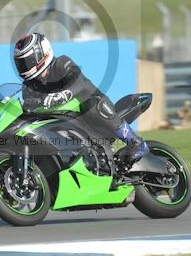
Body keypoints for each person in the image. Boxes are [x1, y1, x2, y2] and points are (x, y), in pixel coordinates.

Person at [13, 32, 149, 164]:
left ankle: (136, 142)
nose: (24, 66)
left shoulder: (62, 63)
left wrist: (61, 95)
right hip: (65, 121)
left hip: (92, 110)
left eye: (27, 61)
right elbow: (29, 108)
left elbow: (78, 82)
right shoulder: (29, 86)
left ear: (41, 54)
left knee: (92, 104)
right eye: (21, 63)